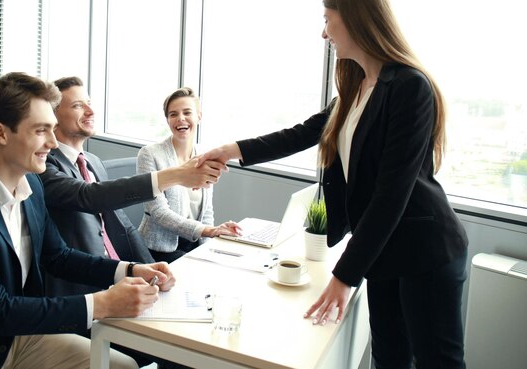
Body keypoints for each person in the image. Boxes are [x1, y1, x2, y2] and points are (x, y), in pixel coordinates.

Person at [197, 1, 469, 368]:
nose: (324, 33)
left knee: (438, 362)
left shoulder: (409, 87)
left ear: (357, 18)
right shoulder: (356, 88)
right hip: (384, 252)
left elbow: (391, 196)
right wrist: (232, 150)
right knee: (389, 358)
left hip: (426, 250)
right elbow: (301, 133)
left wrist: (344, 277)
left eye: (328, 20)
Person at [0, 72, 176, 369]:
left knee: (122, 366)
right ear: (0, 133)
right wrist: (104, 303)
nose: (54, 143)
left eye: (53, 129)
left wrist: (129, 270)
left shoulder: (32, 188)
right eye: (41, 130)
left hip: (15, 336)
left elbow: (58, 256)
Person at [40, 77, 221, 368]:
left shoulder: (93, 161)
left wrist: (152, 270)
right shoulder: (44, 164)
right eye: (77, 105)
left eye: (89, 102)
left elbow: (122, 229)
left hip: (120, 275)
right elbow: (89, 197)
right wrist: (173, 175)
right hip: (88, 290)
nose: (89, 110)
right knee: (175, 348)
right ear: (52, 116)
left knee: (195, 335)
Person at [137, 87, 240, 263]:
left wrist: (210, 241)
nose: (180, 119)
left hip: (195, 243)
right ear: (168, 120)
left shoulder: (205, 154)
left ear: (199, 116)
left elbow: (206, 210)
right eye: (173, 114)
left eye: (187, 112)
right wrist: (207, 230)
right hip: (158, 250)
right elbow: (159, 213)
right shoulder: (150, 154)